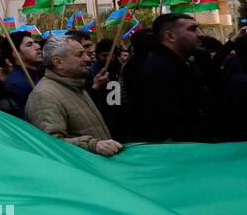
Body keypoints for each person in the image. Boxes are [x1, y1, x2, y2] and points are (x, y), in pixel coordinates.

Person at [126, 13, 223, 143]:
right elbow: (161, 122)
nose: (201, 34)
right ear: (170, 36)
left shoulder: (183, 64)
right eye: (192, 29)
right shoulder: (159, 71)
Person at [25, 35, 122, 156]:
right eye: (79, 54)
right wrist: (93, 145)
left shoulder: (76, 86)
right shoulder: (44, 96)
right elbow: (51, 144)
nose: (87, 59)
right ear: (58, 62)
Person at [5, 31, 44, 107]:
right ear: (16, 53)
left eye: (35, 42)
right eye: (29, 45)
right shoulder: (16, 85)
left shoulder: (36, 74)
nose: (38, 46)